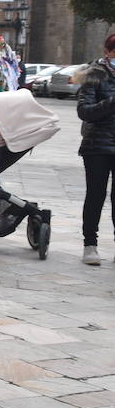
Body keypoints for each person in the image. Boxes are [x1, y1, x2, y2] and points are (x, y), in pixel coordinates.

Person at [76, 32, 115, 266]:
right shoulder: (94, 75)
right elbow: (84, 111)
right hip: (97, 145)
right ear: (107, 53)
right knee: (96, 195)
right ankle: (90, 244)